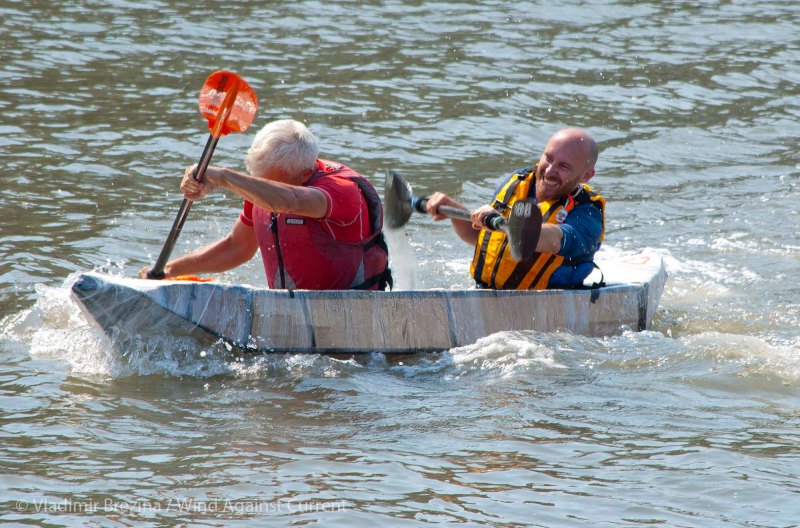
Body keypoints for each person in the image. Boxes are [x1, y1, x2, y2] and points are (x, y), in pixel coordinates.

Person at [140, 119, 392, 290]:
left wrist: (224, 178)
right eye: (257, 179)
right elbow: (237, 247)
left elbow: (291, 200)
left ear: (304, 174)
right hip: (290, 310)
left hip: (348, 313)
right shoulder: (266, 187)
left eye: (268, 183)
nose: (260, 189)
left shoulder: (342, 192)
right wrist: (168, 271)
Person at [425, 128, 604, 290]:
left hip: (542, 308)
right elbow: (482, 238)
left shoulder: (588, 214)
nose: (549, 171)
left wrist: (512, 225)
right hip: (484, 293)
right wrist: (453, 210)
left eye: (563, 166)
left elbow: (554, 240)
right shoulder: (519, 182)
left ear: (586, 175)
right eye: (548, 158)